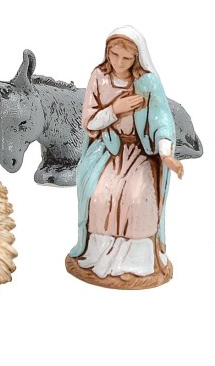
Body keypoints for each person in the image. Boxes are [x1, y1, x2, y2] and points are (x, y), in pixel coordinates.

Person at [68, 26, 183, 286]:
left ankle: (137, 263)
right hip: (108, 149)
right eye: (114, 54)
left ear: (137, 58)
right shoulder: (99, 76)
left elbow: (161, 118)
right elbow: (89, 121)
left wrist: (166, 153)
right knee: (100, 195)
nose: (119, 62)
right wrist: (115, 109)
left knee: (136, 197)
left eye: (126, 58)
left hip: (141, 152)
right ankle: (99, 257)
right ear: (107, 52)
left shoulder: (147, 82)